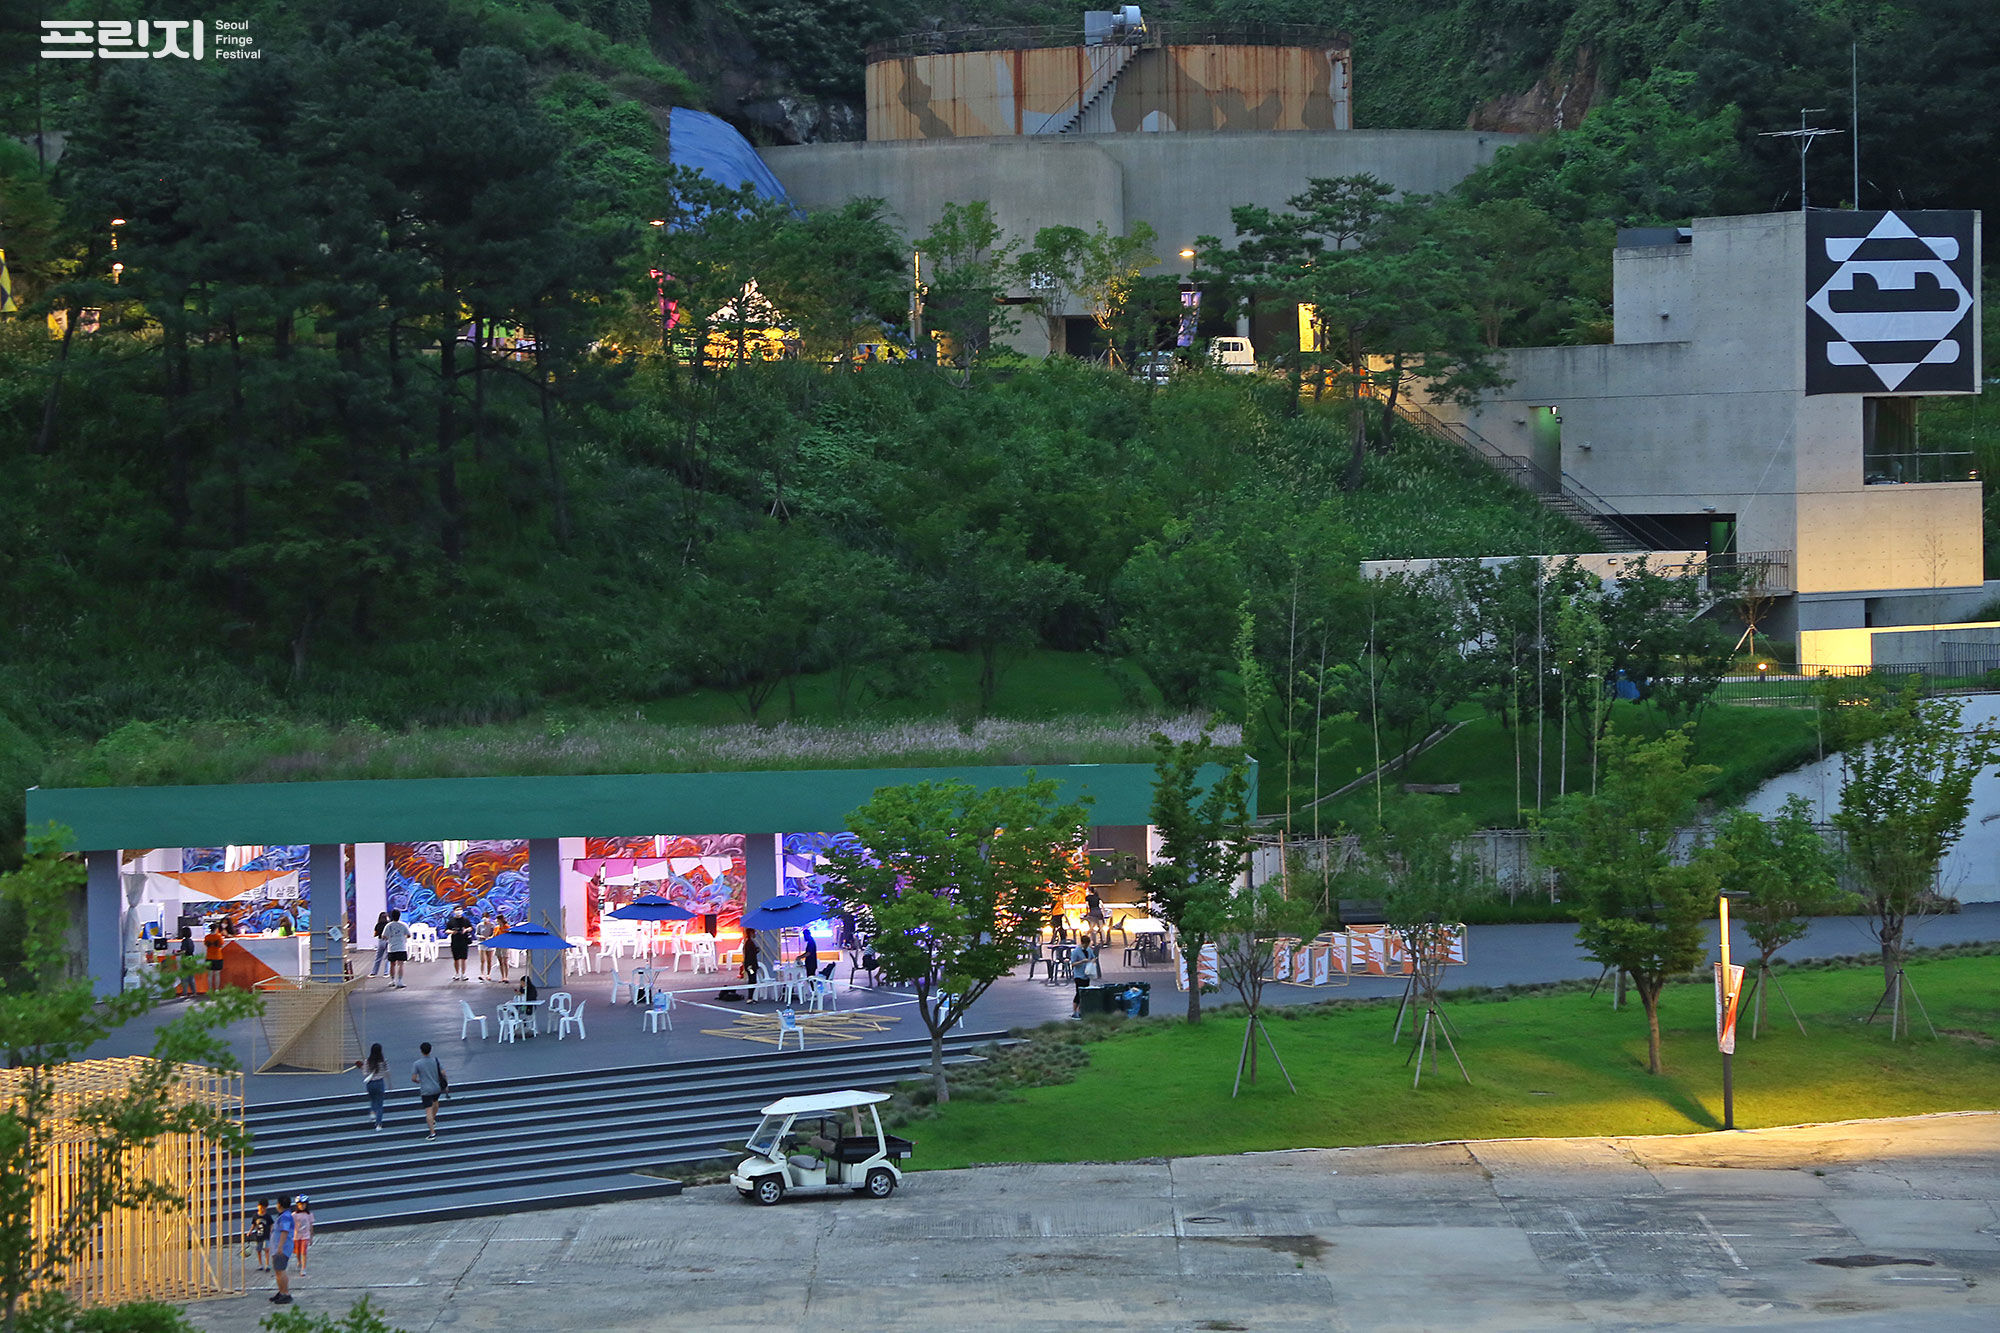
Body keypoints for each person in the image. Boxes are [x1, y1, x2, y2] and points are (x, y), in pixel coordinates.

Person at [411, 1041, 446, 1140]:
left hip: (426, 1089)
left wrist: (419, 1081)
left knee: (428, 1110)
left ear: (421, 1051)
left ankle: (432, 1132)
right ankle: (433, 1119)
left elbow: (413, 1078)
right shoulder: (436, 1061)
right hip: (436, 1087)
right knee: (436, 1103)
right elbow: (443, 1073)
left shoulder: (417, 1064)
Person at [354, 1042, 389, 1130]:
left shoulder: (367, 1061)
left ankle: (372, 1112)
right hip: (380, 1083)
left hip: (370, 1083)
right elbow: (387, 1072)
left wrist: (361, 1067)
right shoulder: (383, 1061)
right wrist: (390, 1083)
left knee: (373, 1099)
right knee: (380, 1104)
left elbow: (365, 1073)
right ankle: (378, 1125)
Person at [268, 1193, 296, 1304]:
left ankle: (285, 1293)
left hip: (281, 1249)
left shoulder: (285, 1217)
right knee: (278, 1271)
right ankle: (281, 1291)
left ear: (279, 1204)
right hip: (277, 1248)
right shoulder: (284, 1215)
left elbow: (284, 1231)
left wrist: (280, 1247)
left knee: (280, 1271)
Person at [381, 909, 411, 989]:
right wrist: (403, 937)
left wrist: (390, 938)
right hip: (401, 947)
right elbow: (409, 935)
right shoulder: (403, 925)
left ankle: (393, 980)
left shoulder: (388, 925)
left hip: (392, 948)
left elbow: (383, 936)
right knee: (401, 964)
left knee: (392, 964)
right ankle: (400, 981)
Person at [1070, 939, 1098, 1018]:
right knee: (1079, 993)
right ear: (1082, 943)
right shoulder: (1076, 951)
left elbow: (1093, 957)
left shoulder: (1089, 950)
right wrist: (1082, 961)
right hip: (1079, 975)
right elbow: (1073, 963)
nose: (1086, 946)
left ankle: (1080, 1010)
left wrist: (1093, 960)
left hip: (1086, 974)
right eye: (1085, 945)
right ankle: (1074, 1011)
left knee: (1085, 993)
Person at [445, 906, 473, 981]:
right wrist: (452, 932)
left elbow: (470, 928)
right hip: (455, 941)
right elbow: (446, 930)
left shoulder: (465, 920)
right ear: (454, 911)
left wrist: (466, 930)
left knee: (464, 958)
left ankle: (463, 974)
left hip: (464, 941)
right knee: (456, 959)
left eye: (460, 910)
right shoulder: (451, 921)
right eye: (457, 910)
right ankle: (457, 973)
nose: (459, 911)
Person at [290, 1196, 315, 1273]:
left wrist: (311, 1237)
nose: (302, 1206)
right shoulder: (294, 1215)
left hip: (305, 1235)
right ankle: (299, 1261)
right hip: (297, 1236)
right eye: (300, 1204)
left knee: (304, 1251)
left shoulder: (309, 1215)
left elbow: (311, 1226)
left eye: (303, 1204)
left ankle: (304, 1268)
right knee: (298, 1251)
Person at [249, 1198, 273, 1272]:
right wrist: (250, 1231)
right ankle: (260, 1264)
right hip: (258, 1236)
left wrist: (271, 1231)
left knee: (266, 1249)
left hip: (266, 1235)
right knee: (259, 1250)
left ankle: (267, 1264)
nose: (262, 1209)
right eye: (261, 1207)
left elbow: (271, 1224)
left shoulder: (267, 1216)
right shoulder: (255, 1216)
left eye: (264, 1208)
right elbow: (253, 1224)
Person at [173, 925, 197, 999]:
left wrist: (176, 953)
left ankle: (185, 993)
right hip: (191, 959)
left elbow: (184, 951)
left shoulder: (184, 941)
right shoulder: (191, 941)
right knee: (191, 977)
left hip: (186, 960)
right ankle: (194, 992)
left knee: (184, 978)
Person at [202, 922, 225, 997]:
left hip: (209, 957)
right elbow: (221, 945)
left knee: (210, 975)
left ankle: (210, 989)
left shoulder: (207, 937)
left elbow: (206, 945)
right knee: (217, 974)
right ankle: (217, 989)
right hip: (218, 956)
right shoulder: (218, 936)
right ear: (216, 929)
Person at [367, 911, 392, 977]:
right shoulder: (388, 925)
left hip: (380, 941)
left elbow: (375, 934)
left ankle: (374, 972)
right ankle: (386, 973)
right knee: (387, 958)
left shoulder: (378, 925)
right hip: (388, 940)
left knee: (378, 957)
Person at [493, 912, 512, 983]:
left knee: (505, 961)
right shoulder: (496, 928)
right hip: (498, 946)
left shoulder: (507, 927)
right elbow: (494, 936)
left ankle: (506, 976)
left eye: (497, 920)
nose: (496, 921)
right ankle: (502, 976)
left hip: (505, 945)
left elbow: (510, 936)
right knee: (500, 962)